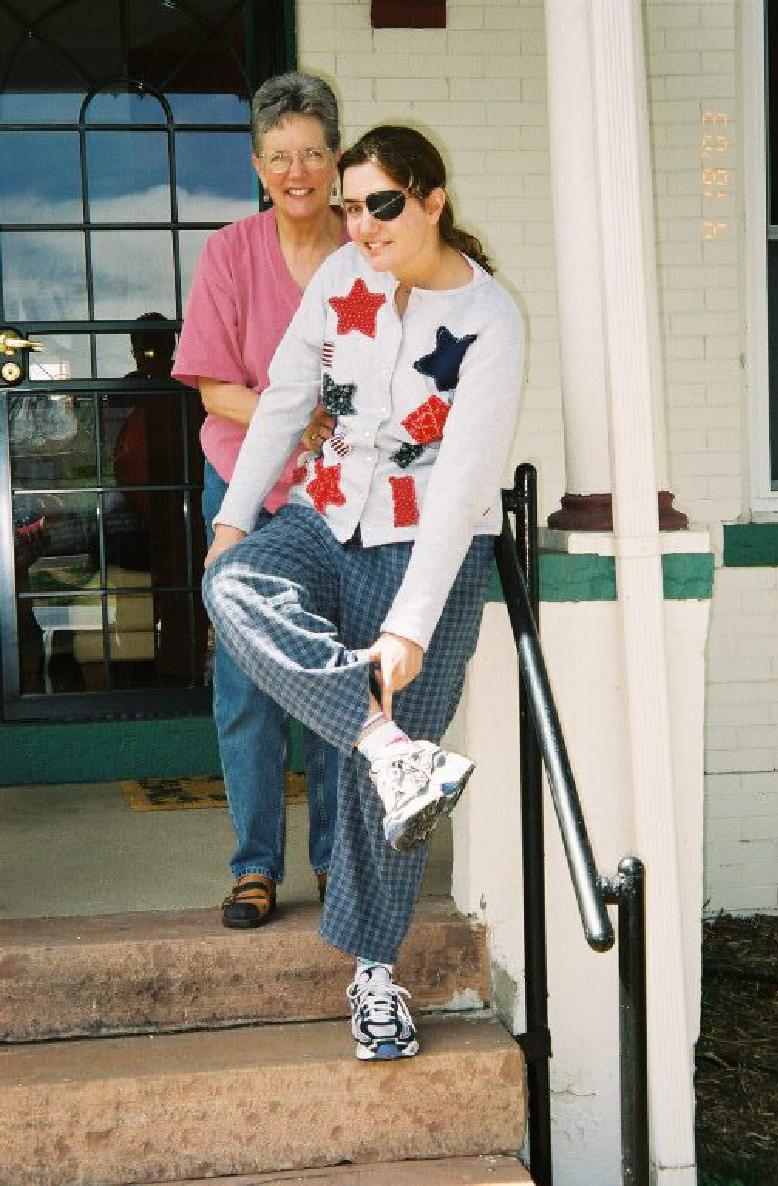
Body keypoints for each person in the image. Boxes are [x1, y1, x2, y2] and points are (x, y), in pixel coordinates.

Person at [203, 125, 524, 1060]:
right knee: (234, 586)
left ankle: (375, 976)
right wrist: (233, 526)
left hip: (427, 549)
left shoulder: (492, 319)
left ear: (432, 200)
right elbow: (283, 397)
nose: (363, 224)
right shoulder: (343, 276)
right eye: (350, 207)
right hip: (324, 514)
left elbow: (462, 486)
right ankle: (387, 744)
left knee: (383, 792)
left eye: (382, 203)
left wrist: (409, 628)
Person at [172, 73, 345, 928]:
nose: (296, 171)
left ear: (336, 160)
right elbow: (213, 388)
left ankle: (337, 860)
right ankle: (254, 865)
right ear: (257, 166)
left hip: (340, 492)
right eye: (279, 156)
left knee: (335, 673)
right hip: (243, 483)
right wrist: (297, 419)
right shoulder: (229, 254)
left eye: (311, 153)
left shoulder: (366, 247)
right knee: (245, 683)